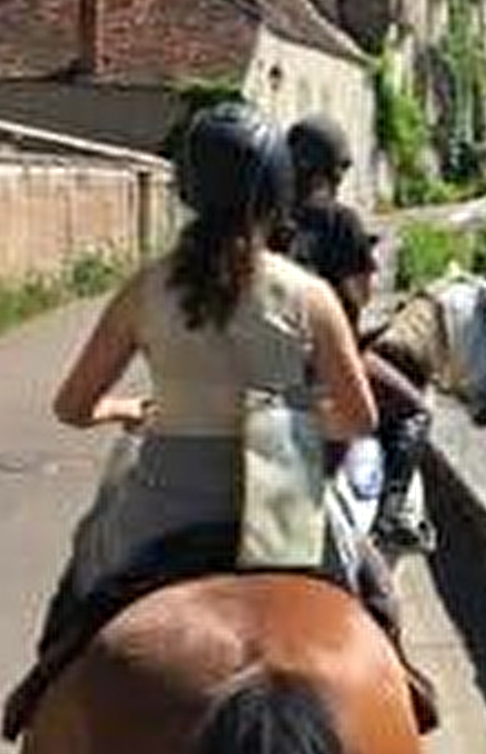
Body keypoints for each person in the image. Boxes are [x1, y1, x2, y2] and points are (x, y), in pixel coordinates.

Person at [36, 102, 376, 650]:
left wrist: (125, 409)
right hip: (283, 498)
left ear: (188, 191)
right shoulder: (310, 295)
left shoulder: (144, 290)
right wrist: (289, 422)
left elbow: (71, 408)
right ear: (277, 192)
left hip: (165, 503)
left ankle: (39, 689)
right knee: (372, 590)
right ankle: (411, 688)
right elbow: (360, 418)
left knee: (77, 600)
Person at [284, 114, 437, 552]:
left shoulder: (270, 220)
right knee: (413, 412)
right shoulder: (341, 221)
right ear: (335, 171)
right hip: (328, 368)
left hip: (267, 365)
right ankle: (392, 518)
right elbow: (361, 294)